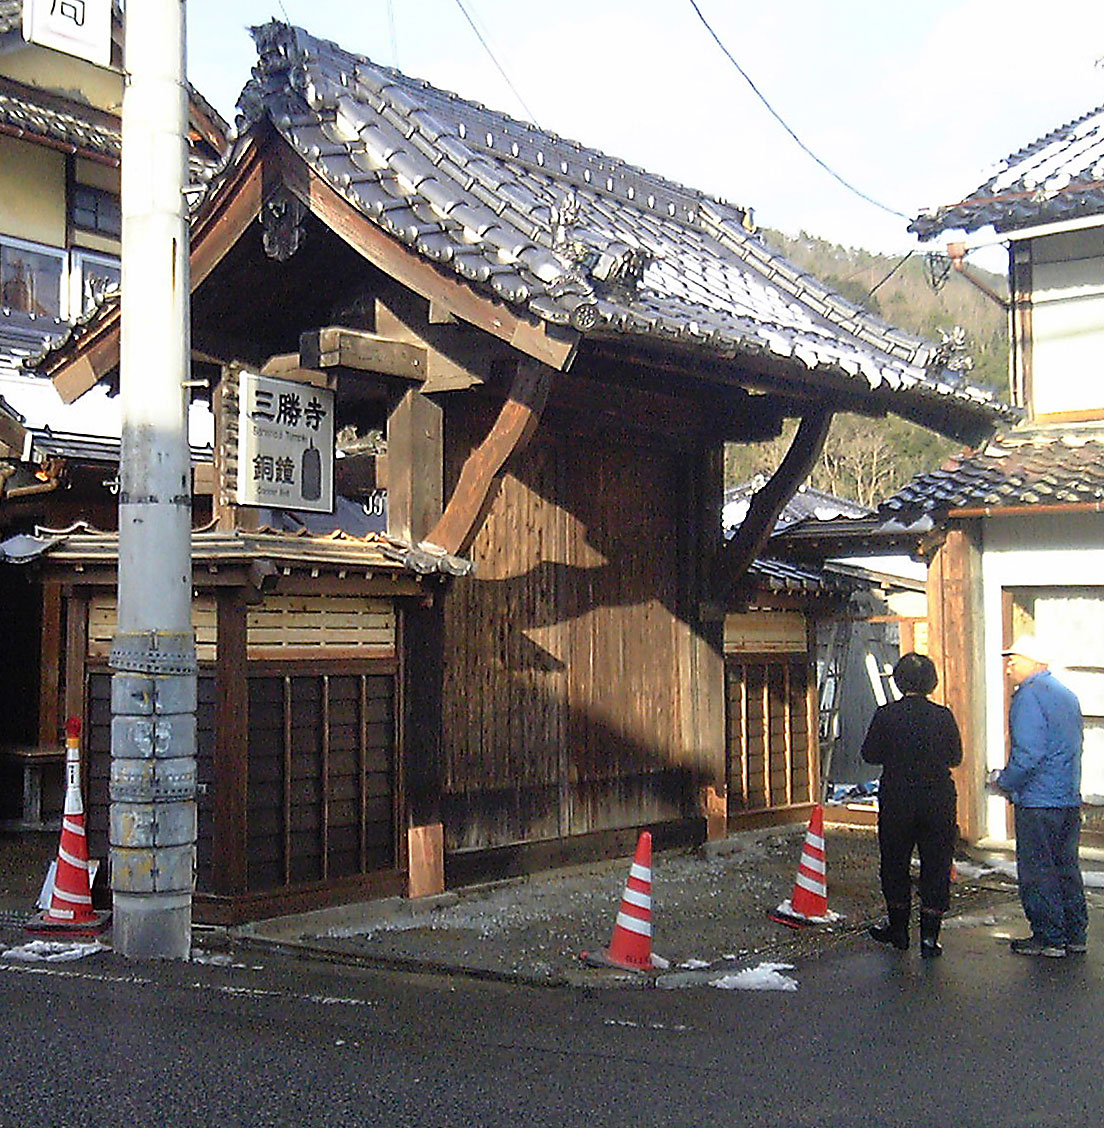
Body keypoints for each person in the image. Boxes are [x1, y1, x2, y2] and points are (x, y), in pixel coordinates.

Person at [989, 635, 1086, 958]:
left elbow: (1028, 754)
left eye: (1015, 659)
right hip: (1067, 798)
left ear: (1035, 662)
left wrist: (1005, 781)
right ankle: (1075, 932)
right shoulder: (1066, 696)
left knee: (1037, 870)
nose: (1008, 666)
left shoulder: (1029, 697)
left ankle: (1048, 936)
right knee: (1066, 867)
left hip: (1038, 800)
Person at [861, 652, 962, 957]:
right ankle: (930, 937)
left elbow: (870, 754)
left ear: (899, 680)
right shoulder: (943, 716)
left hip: (898, 798)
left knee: (894, 863)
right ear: (932, 681)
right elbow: (955, 757)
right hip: (938, 798)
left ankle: (898, 930)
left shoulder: (886, 715)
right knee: (936, 864)